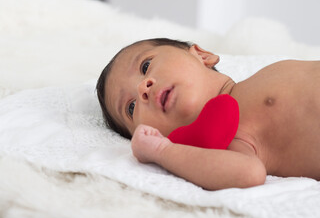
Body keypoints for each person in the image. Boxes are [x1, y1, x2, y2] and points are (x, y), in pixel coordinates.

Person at [96, 38, 320, 190]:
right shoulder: (235, 139)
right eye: (131, 108)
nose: (142, 88)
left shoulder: (264, 75)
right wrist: (163, 152)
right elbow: (249, 173)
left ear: (202, 55)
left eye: (145, 66)